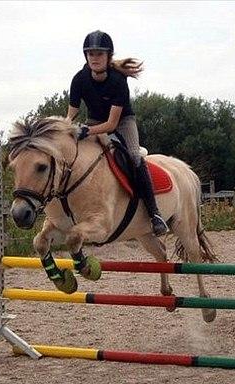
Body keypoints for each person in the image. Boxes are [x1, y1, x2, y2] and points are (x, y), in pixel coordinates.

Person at [65, 30, 169, 236]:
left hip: (122, 122)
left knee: (133, 156)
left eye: (99, 54)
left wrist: (87, 130)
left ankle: (154, 213)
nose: (94, 58)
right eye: (91, 54)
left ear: (108, 56)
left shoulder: (118, 81)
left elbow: (111, 125)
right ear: (86, 56)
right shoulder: (79, 79)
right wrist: (65, 131)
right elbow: (71, 115)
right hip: (94, 121)